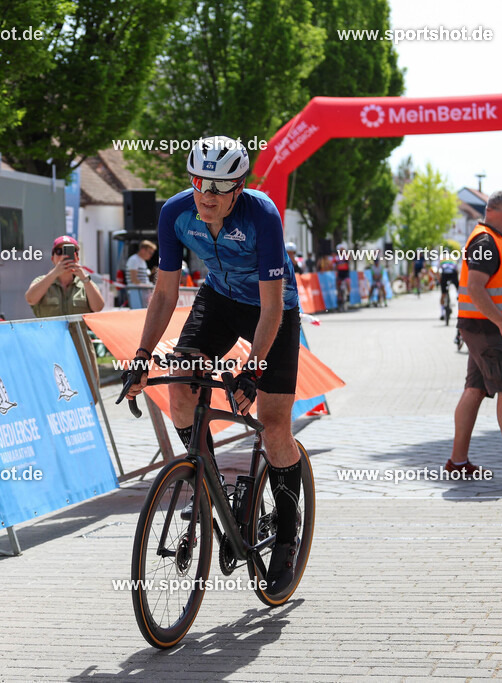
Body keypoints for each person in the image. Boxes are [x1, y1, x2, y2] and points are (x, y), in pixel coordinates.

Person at [124, 135, 302, 594]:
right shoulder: (175, 213)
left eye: (220, 187)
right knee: (181, 388)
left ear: (239, 187)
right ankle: (207, 483)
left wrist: (253, 369)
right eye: (200, 182)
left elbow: (271, 306)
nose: (207, 194)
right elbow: (165, 292)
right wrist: (141, 356)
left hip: (272, 309)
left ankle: (287, 534)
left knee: (274, 425)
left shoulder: (262, 215)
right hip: (219, 300)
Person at [450, 190, 502, 483]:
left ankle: (458, 462)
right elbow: (476, 288)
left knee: (475, 389)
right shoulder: (485, 241)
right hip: (488, 330)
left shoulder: (493, 239)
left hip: (485, 328)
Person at [25, 236, 105, 390]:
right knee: (51, 389)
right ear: (53, 258)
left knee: (87, 389)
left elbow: (98, 306)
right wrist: (54, 274)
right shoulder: (42, 281)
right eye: (59, 251)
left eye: (69, 251)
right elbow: (30, 299)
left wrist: (85, 279)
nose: (64, 255)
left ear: (77, 257)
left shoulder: (85, 283)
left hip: (80, 346)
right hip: (49, 345)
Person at [126, 240, 156, 307]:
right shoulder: (134, 260)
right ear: (143, 250)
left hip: (142, 293)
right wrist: (148, 286)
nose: (151, 255)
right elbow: (134, 279)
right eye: (150, 252)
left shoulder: (142, 261)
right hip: (136, 293)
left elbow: (142, 278)